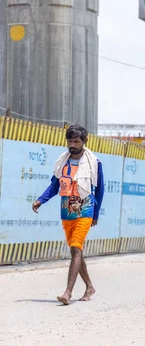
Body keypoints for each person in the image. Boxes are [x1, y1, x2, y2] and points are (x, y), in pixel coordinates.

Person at [32, 125, 104, 305]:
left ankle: (68, 292)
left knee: (76, 248)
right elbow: (55, 186)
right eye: (70, 141)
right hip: (67, 211)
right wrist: (41, 200)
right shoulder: (62, 162)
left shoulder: (94, 162)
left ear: (84, 141)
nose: (72, 145)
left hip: (85, 209)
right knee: (76, 250)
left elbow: (100, 189)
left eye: (76, 141)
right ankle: (89, 286)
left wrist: (95, 214)